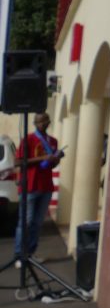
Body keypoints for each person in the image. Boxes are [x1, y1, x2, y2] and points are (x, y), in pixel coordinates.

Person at [14, 112, 62, 268]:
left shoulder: (53, 141)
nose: (41, 124)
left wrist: (56, 159)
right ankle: (19, 255)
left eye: (44, 121)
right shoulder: (28, 139)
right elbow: (17, 162)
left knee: (37, 223)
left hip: (46, 187)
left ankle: (30, 253)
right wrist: (42, 158)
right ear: (34, 124)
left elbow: (52, 165)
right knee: (26, 222)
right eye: (39, 122)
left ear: (48, 122)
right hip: (29, 186)